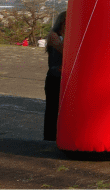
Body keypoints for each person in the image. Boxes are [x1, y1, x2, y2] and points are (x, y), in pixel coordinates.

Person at [43, 11, 66, 141]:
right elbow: (63, 49)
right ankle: (49, 137)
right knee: (52, 108)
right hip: (54, 76)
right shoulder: (54, 36)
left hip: (64, 78)